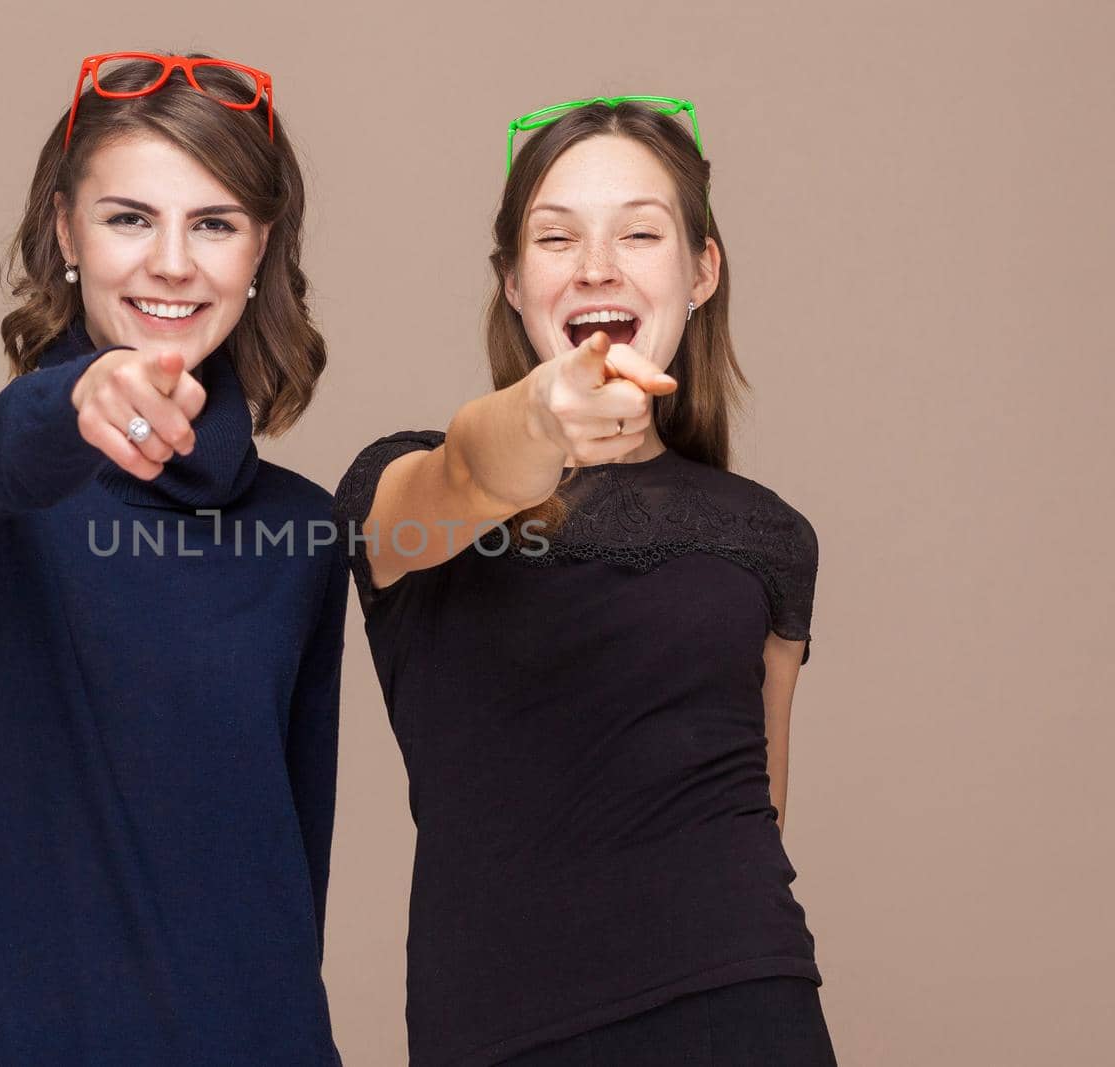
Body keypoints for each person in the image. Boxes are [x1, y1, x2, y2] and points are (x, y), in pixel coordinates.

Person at [0, 51, 345, 1066]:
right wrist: (79, 402)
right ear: (63, 231)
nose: (172, 262)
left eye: (212, 223)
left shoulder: (300, 533)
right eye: (129, 217)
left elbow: (291, 871)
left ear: (260, 253)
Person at [332, 98, 837, 1066]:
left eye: (638, 233)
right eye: (555, 237)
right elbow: (479, 468)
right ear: (513, 283)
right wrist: (543, 420)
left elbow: (760, 811)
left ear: (699, 272)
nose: (595, 265)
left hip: (743, 997)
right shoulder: (404, 487)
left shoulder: (770, 532)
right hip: (502, 1020)